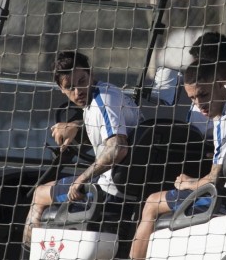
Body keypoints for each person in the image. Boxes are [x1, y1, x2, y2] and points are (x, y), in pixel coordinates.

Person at [92, 57, 226, 260]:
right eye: (192, 99)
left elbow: (216, 179)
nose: (200, 105)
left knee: (152, 203)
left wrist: (189, 183)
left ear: (221, 84)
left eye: (204, 95)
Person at [23, 50, 141, 244]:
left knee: (39, 195)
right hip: (124, 185)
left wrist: (82, 178)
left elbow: (118, 148)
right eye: (70, 87)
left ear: (92, 74)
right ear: (61, 89)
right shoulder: (104, 95)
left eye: (82, 80)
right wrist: (77, 128)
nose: (78, 91)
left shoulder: (102, 101)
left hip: (110, 192)